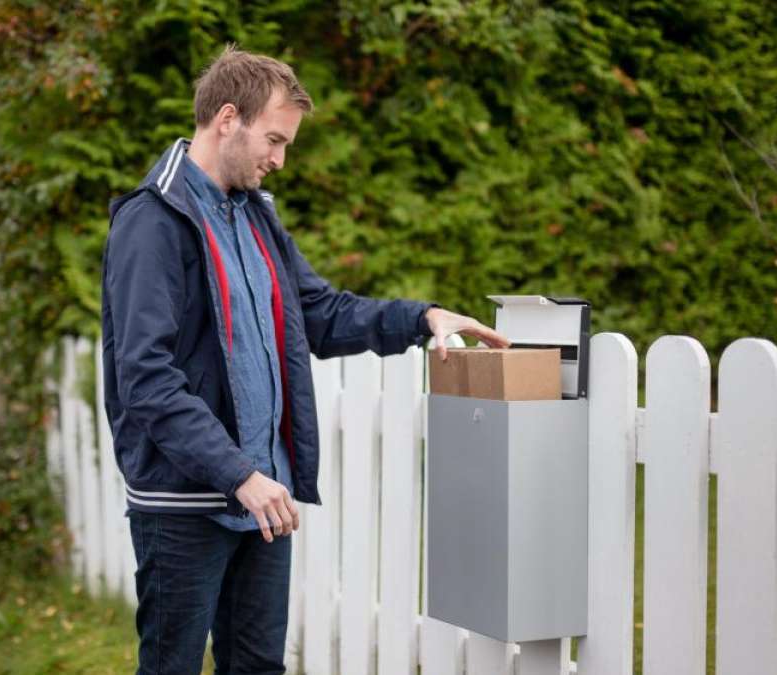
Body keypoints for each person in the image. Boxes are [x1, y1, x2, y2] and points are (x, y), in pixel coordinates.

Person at [101, 45, 509, 675]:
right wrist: (237, 472)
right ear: (227, 119)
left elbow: (318, 312)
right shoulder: (152, 222)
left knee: (260, 666)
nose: (280, 160)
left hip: (265, 499)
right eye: (274, 139)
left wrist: (422, 318)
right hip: (188, 502)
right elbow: (146, 379)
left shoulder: (255, 217)